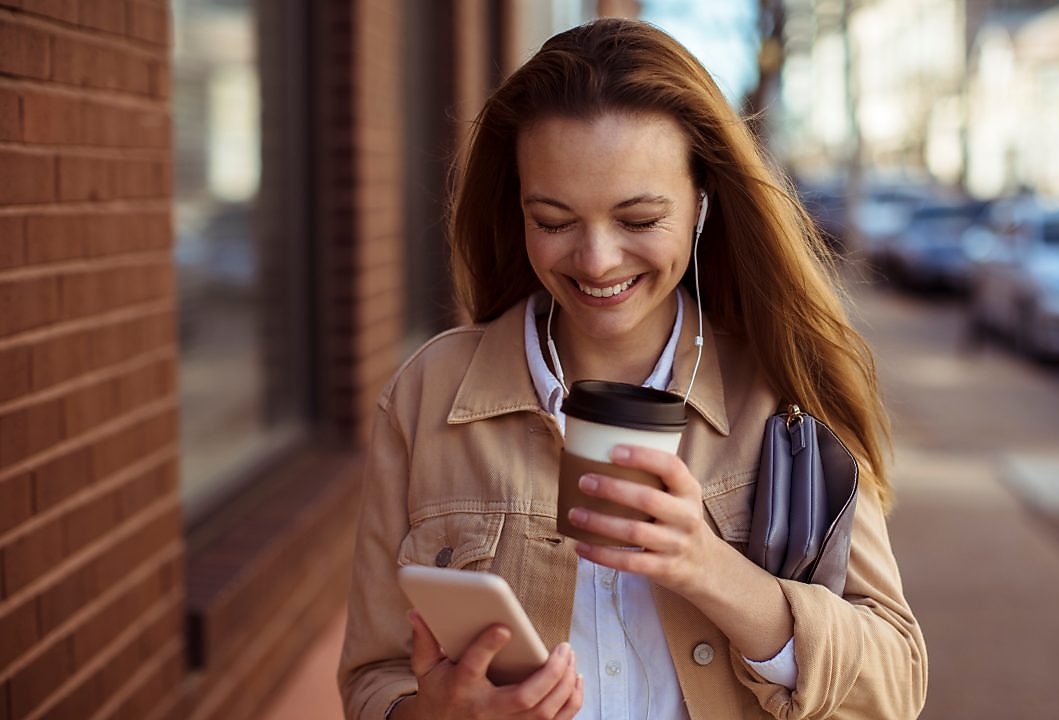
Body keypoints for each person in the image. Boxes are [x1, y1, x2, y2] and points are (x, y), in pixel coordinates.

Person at [338, 17, 927, 720]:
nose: (596, 261)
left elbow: (895, 684)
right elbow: (374, 678)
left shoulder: (782, 384)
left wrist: (711, 571)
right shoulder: (427, 396)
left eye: (640, 220)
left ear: (703, 202)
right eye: (554, 220)